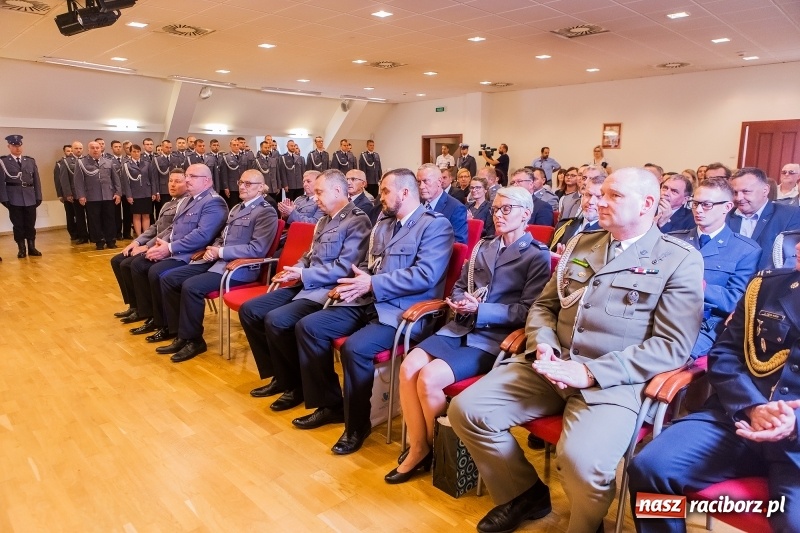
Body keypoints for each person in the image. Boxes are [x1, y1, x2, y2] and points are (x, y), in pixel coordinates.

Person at [449, 167, 704, 533]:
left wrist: (590, 373)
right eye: (602, 193)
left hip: (613, 380)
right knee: (467, 410)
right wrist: (544, 347)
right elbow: (543, 307)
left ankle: (585, 525)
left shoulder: (677, 259)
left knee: (582, 462)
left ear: (647, 204)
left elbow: (672, 346)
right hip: (552, 364)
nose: (599, 199)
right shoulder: (585, 243)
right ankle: (524, 493)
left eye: (614, 195)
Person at [628, 237, 800, 533]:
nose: (797, 246)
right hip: (736, 419)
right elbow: (725, 352)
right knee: (650, 468)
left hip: (795, 445)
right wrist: (751, 406)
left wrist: (792, 422)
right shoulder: (767, 286)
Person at [387, 186, 551, 484]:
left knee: (429, 378)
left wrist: (483, 310)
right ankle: (419, 446)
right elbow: (461, 285)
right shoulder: (484, 247)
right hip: (461, 325)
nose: (498, 215)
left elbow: (530, 311)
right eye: (495, 209)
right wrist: (461, 301)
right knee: (409, 365)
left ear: (526, 214)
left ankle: (439, 451)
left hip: (493, 338)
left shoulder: (536, 256)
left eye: (506, 209)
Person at [291, 168, 455, 456]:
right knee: (309, 326)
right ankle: (331, 405)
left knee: (355, 349)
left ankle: (357, 426)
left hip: (403, 312)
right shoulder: (385, 224)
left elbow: (426, 275)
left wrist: (372, 283)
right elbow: (370, 264)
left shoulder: (435, 226)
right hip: (368, 300)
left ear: (404, 193)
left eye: (385, 191)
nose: (380, 197)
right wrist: (357, 282)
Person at [239, 169, 372, 407]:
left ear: (338, 191)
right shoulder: (323, 219)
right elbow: (309, 256)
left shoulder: (357, 220)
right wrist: (295, 269)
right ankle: (284, 377)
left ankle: (300, 387)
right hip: (306, 283)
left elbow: (345, 268)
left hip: (328, 291)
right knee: (251, 310)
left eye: (320, 192)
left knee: (276, 320)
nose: (315, 197)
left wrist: (303, 273)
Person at [157, 169, 279, 363]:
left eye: (249, 184)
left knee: (192, 286)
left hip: (240, 268)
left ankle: (194, 340)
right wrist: (212, 248)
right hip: (217, 261)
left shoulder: (265, 211)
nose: (242, 186)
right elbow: (223, 237)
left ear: (260, 188)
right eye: (241, 182)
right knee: (170, 278)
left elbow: (258, 249)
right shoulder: (237, 208)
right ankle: (178, 333)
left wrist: (220, 252)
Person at [127, 164, 228, 341]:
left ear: (207, 181)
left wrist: (169, 248)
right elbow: (173, 228)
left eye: (192, 176)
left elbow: (203, 235)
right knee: (138, 264)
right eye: (187, 175)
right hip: (176, 249)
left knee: (157, 272)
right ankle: (155, 318)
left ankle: (169, 326)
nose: (187, 179)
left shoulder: (214, 201)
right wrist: (160, 244)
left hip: (192, 253)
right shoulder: (189, 199)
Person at [669, 177, 761, 357]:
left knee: (668, 358)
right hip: (663, 316)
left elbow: (735, 300)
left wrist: (701, 287)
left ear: (727, 207)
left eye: (707, 205)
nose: (698, 210)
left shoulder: (745, 250)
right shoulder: (673, 240)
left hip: (703, 325)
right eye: (695, 204)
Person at [112, 169, 187, 322]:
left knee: (132, 264)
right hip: (155, 243)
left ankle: (145, 310)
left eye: (177, 181)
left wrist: (147, 246)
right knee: (118, 260)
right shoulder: (168, 203)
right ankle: (135, 305)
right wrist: (136, 242)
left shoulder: (185, 204)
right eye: (170, 181)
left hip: (167, 246)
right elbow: (155, 227)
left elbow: (171, 230)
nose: (172, 185)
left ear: (187, 183)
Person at [727, 166, 800, 269]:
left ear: (765, 190)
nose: (739, 198)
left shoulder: (789, 215)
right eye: (735, 192)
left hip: (769, 281)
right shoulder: (724, 216)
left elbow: (790, 259)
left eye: (746, 192)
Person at [73, 141, 121, 250]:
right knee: (95, 220)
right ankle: (99, 241)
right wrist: (81, 195)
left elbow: (115, 179)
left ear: (101, 149)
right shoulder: (82, 163)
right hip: (92, 196)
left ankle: (111, 240)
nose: (95, 150)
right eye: (93, 148)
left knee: (109, 219)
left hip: (108, 195)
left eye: (97, 148)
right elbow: (78, 181)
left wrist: (118, 193)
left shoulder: (108, 162)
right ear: (88, 150)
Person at [0, 134, 42, 258]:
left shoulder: (30, 161)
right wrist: (4, 199)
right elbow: (1, 182)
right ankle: (21, 249)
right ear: (9, 146)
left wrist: (38, 196)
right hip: (14, 198)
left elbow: (36, 180)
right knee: (18, 224)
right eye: (14, 145)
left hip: (30, 197)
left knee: (30, 224)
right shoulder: (3, 162)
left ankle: (32, 247)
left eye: (19, 145)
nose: (17, 148)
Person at [550, 171, 605, 252]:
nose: (590, 202)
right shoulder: (563, 225)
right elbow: (549, 253)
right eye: (588, 195)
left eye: (599, 197)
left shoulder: (610, 233)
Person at [417, 163, 468, 244]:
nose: (421, 186)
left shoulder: (456, 208)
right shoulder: (416, 204)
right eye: (419, 182)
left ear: (439, 181)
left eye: (425, 181)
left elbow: (459, 244)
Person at [120, 144, 156, 238]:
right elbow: (125, 182)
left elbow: (152, 179)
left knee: (146, 215)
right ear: (130, 152)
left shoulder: (147, 163)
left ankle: (146, 235)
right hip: (134, 194)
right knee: (136, 215)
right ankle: (139, 236)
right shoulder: (127, 165)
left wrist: (153, 192)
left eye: (138, 151)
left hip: (146, 193)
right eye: (134, 151)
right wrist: (128, 195)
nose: (136, 153)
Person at [54, 144, 77, 241]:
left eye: (72, 150)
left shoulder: (78, 162)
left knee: (79, 215)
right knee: (70, 214)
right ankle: (73, 233)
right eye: (68, 151)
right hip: (67, 194)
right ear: (64, 152)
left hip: (78, 193)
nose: (70, 152)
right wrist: (60, 194)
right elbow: (58, 180)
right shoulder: (60, 163)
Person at [220, 139, 248, 208]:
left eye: (237, 145)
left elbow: (247, 171)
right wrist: (226, 187)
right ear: (230, 146)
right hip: (232, 186)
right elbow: (224, 173)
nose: (236, 146)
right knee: (234, 206)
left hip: (243, 185)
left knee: (243, 205)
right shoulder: (226, 157)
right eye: (234, 145)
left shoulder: (244, 157)